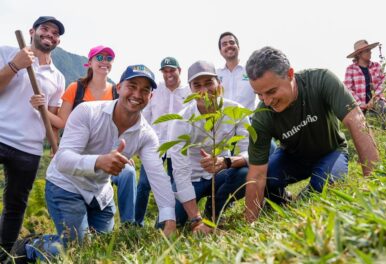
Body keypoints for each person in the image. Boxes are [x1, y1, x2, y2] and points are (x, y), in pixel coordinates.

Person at [12, 65, 177, 262]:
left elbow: (158, 175)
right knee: (76, 249)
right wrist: (99, 161)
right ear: (118, 88)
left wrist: (169, 218)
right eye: (132, 86)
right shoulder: (87, 112)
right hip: (66, 186)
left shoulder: (146, 135)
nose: (137, 94)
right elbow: (62, 160)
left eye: (145, 90)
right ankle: (32, 245)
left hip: (99, 193)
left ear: (150, 97)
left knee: (103, 248)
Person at [244, 46, 379, 222]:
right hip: (293, 158)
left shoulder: (321, 80)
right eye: (259, 95)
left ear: (290, 74)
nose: (267, 101)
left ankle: (305, 197)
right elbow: (256, 174)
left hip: (331, 152)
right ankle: (284, 201)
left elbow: (357, 122)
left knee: (323, 186)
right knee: (268, 181)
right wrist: (250, 222)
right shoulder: (262, 116)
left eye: (271, 91)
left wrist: (374, 181)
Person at [30, 45, 138, 225]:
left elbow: (122, 127)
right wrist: (41, 108)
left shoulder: (115, 92)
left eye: (109, 58)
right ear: (90, 62)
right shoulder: (76, 88)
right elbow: (62, 122)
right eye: (100, 57)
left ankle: (130, 225)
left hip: (106, 154)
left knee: (128, 173)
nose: (105, 61)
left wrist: (125, 155)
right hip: (78, 153)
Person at [0, 16, 65, 260]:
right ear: (32, 31)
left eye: (55, 33)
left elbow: (55, 119)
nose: (50, 34)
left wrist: (54, 146)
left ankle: (3, 255)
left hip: (29, 148)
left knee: (15, 207)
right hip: (1, 135)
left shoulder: (57, 77)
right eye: (45, 29)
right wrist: (15, 65)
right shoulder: (7, 52)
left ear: (58, 41)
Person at [169, 60, 250, 232]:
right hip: (191, 180)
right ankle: (199, 219)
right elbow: (181, 172)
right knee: (173, 222)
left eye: (208, 83)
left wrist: (225, 162)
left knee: (244, 173)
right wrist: (195, 221)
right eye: (197, 85)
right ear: (190, 90)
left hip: (221, 175)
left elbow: (249, 153)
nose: (204, 91)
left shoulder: (236, 111)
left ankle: (214, 211)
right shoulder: (181, 120)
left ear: (219, 84)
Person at [135, 57, 191, 226]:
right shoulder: (155, 90)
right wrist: (139, 144)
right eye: (165, 71)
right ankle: (136, 222)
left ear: (179, 70)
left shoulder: (188, 92)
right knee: (144, 184)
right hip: (155, 145)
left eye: (172, 70)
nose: (169, 74)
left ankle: (168, 221)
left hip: (178, 146)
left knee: (176, 186)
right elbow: (145, 118)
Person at [344, 40, 386, 123]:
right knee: (359, 125)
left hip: (377, 100)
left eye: (370, 50)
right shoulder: (350, 69)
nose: (370, 52)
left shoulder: (376, 66)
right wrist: (362, 104)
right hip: (358, 105)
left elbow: (384, 82)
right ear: (359, 54)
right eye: (367, 50)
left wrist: (373, 98)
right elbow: (348, 89)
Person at [216, 32, 257, 110]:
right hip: (224, 121)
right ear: (220, 51)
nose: (228, 45)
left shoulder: (251, 70)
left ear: (238, 47)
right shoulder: (216, 75)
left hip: (247, 120)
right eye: (224, 44)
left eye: (232, 42)